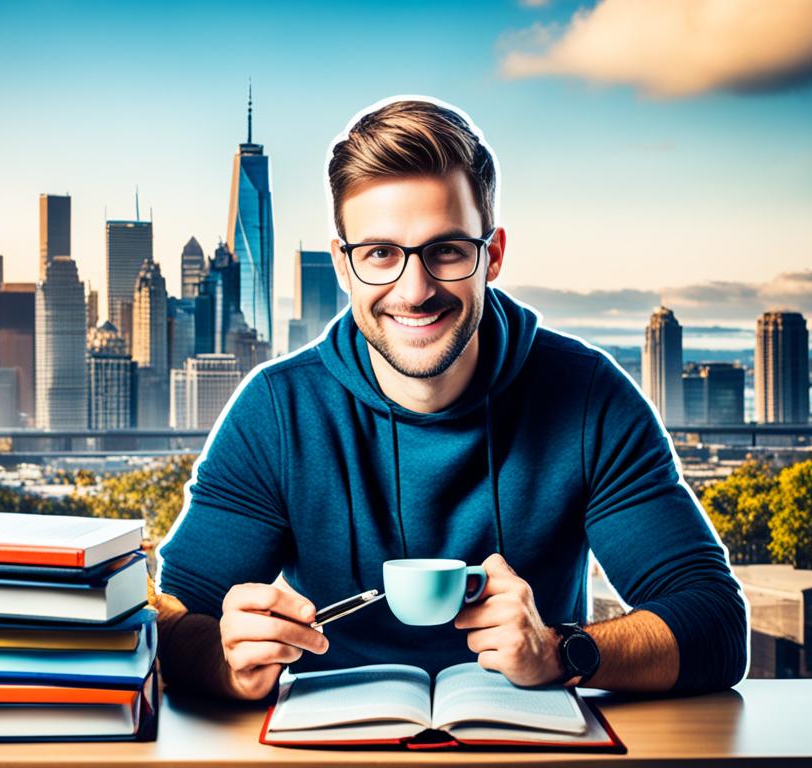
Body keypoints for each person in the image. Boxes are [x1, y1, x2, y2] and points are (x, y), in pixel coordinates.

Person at [154, 96, 749, 702]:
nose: (414, 291)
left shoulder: (589, 396)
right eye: (380, 253)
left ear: (491, 256)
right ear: (342, 266)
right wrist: (225, 660)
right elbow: (169, 621)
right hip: (329, 751)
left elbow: (717, 623)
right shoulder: (277, 413)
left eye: (446, 250)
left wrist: (560, 649)